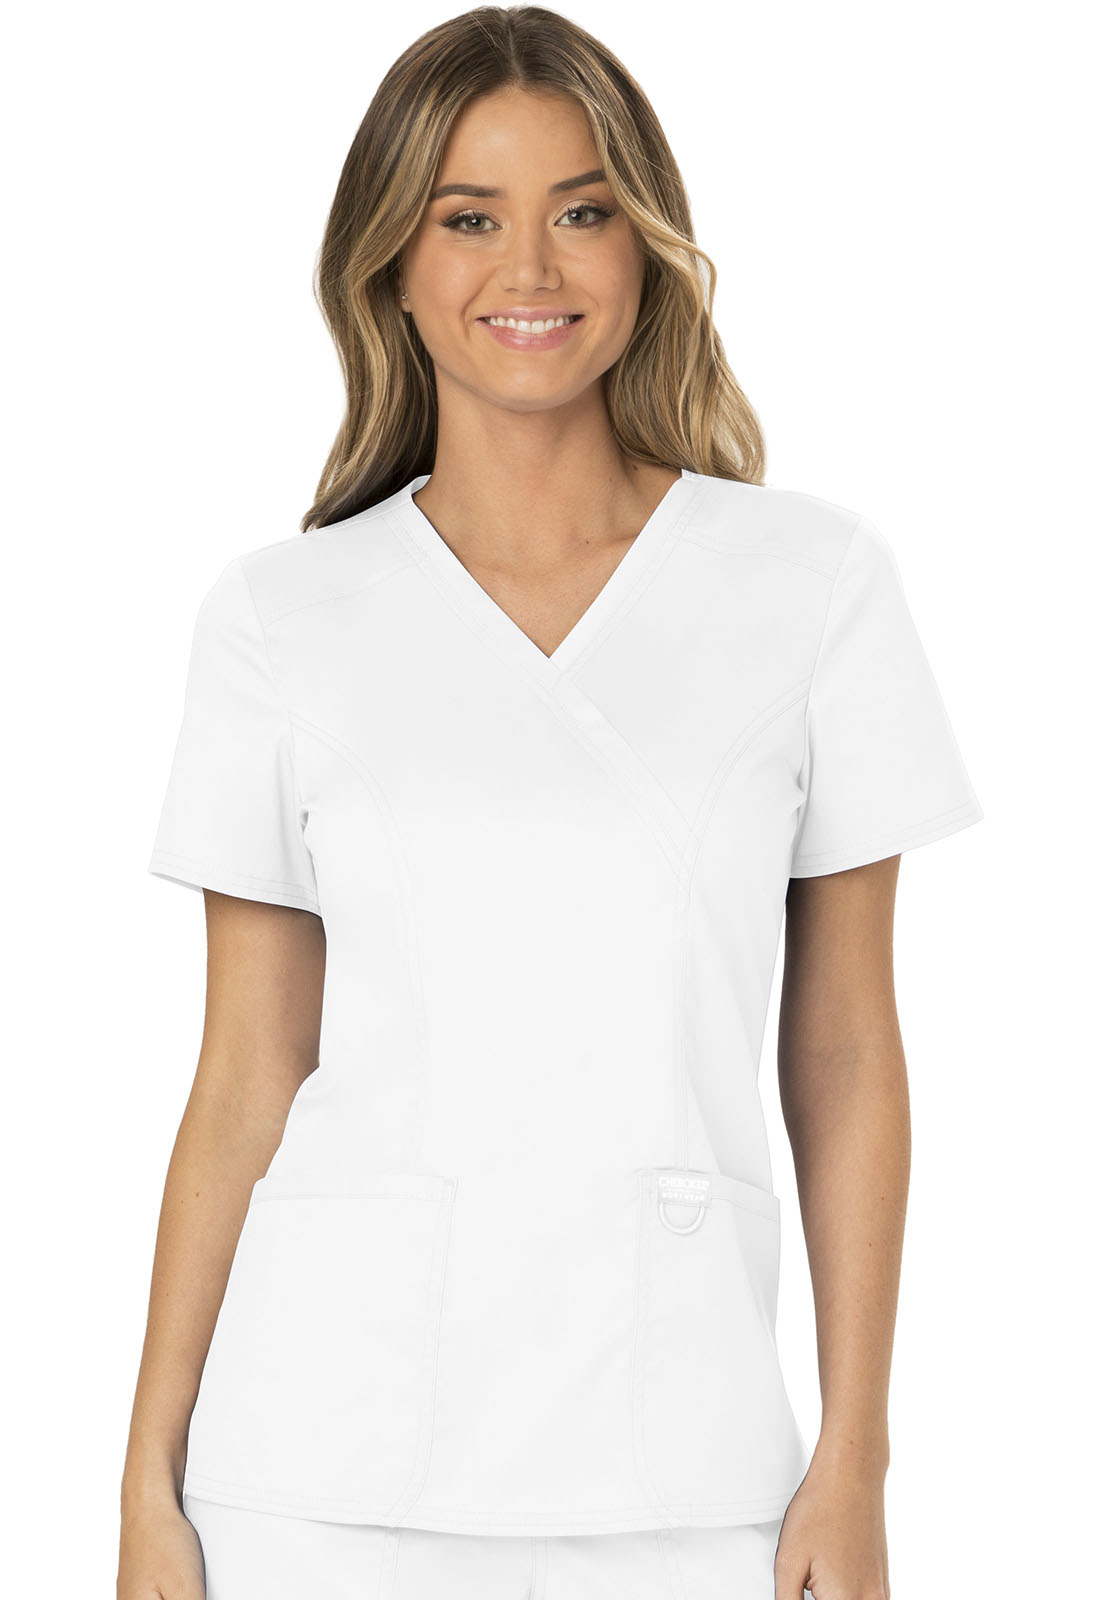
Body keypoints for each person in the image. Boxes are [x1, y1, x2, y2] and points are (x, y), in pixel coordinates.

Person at [116, 7, 984, 1599]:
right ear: (391, 261)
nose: (530, 267)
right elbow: (246, 1071)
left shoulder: (809, 589)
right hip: (318, 1475)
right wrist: (146, 1479)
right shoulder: (279, 619)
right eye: (469, 218)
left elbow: (848, 1047)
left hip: (688, 1463)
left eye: (582, 210)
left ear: (646, 245)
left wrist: (854, 1454)